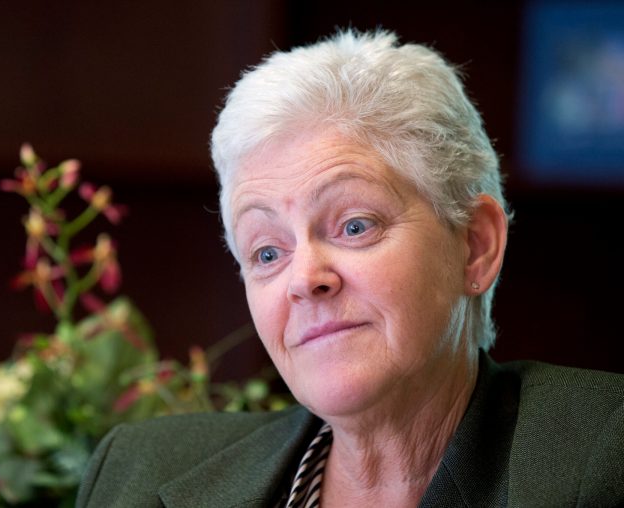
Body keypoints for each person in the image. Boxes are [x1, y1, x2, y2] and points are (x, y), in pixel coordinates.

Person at [77, 30, 624, 507]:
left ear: (475, 246)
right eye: (267, 252)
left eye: (355, 225)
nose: (304, 278)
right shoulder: (138, 471)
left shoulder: (604, 449)